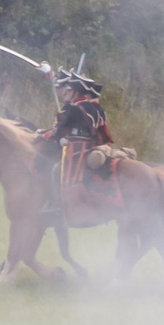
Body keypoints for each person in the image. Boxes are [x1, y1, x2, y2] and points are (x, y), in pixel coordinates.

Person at [37, 67, 113, 216]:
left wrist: (49, 136)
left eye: (68, 91)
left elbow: (59, 130)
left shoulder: (74, 109)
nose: (65, 93)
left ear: (76, 92)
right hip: (90, 145)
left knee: (55, 170)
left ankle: (55, 203)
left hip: (76, 147)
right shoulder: (94, 108)